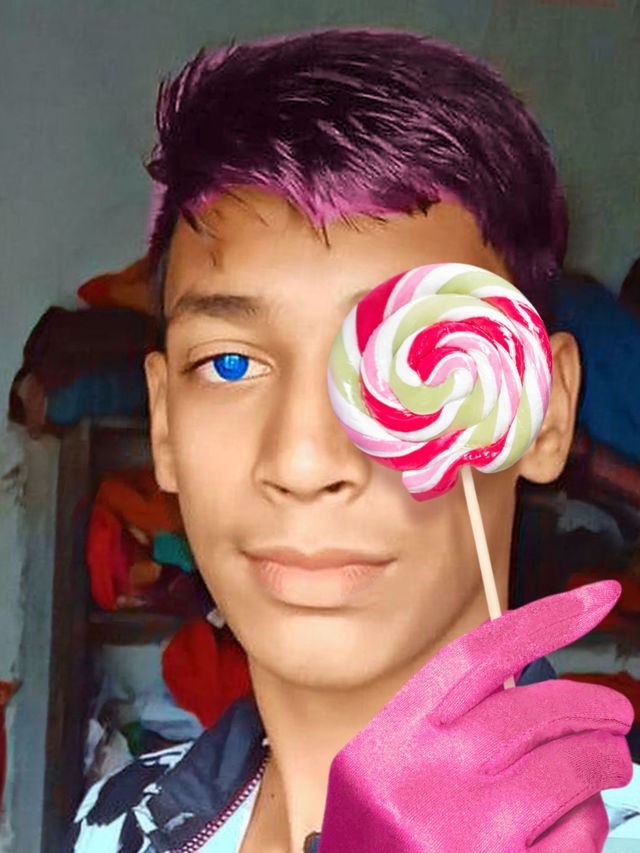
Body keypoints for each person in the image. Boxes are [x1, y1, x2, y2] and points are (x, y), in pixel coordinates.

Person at [66, 28, 639, 852]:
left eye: (409, 357)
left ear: (543, 410)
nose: (303, 461)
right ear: (164, 423)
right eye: (230, 363)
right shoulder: (115, 819)